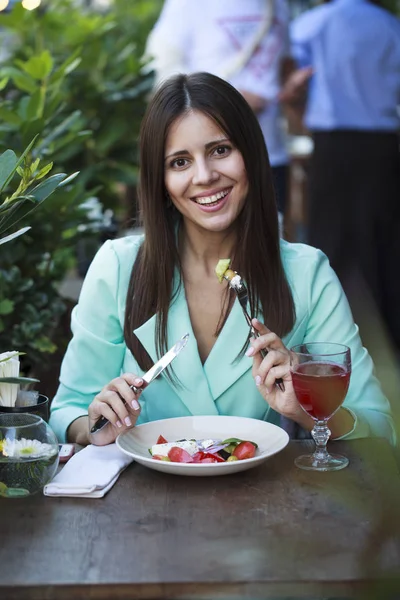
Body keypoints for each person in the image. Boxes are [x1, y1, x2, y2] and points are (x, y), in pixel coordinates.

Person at [49, 72, 395, 448]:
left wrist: (306, 409)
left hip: (256, 500)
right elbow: (69, 410)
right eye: (179, 162)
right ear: (160, 180)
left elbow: (380, 429)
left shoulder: (306, 273)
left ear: (251, 154)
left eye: (220, 150)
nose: (205, 176)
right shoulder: (118, 267)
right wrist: (98, 424)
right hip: (140, 496)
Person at [286, 0, 400, 353]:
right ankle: (392, 340)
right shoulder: (389, 24)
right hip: (383, 146)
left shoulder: (313, 23)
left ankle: (321, 345)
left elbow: (290, 76)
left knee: (327, 244)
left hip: (332, 147)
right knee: (385, 244)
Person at [144, 0, 292, 219]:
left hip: (272, 153)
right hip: (208, 160)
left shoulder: (278, 4)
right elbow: (158, 67)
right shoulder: (187, 5)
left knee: (269, 243)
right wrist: (231, 102)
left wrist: (292, 90)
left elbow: (283, 65)